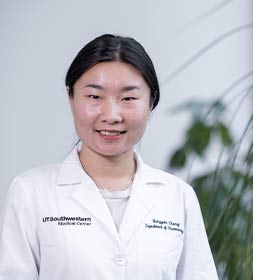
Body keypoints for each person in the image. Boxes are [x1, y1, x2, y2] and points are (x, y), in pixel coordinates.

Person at [0, 34, 218, 280]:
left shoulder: (179, 197)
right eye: (94, 97)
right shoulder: (31, 193)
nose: (111, 115)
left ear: (151, 102)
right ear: (71, 98)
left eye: (128, 98)